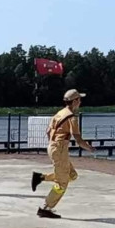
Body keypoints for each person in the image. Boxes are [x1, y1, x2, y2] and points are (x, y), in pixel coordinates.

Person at [32, 89, 94, 219]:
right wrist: (89, 148)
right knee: (62, 183)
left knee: (72, 175)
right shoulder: (71, 117)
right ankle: (45, 208)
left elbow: (48, 131)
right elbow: (78, 139)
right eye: (79, 99)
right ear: (75, 101)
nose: (81, 102)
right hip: (59, 149)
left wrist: (55, 144)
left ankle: (41, 178)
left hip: (54, 147)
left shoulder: (59, 113)